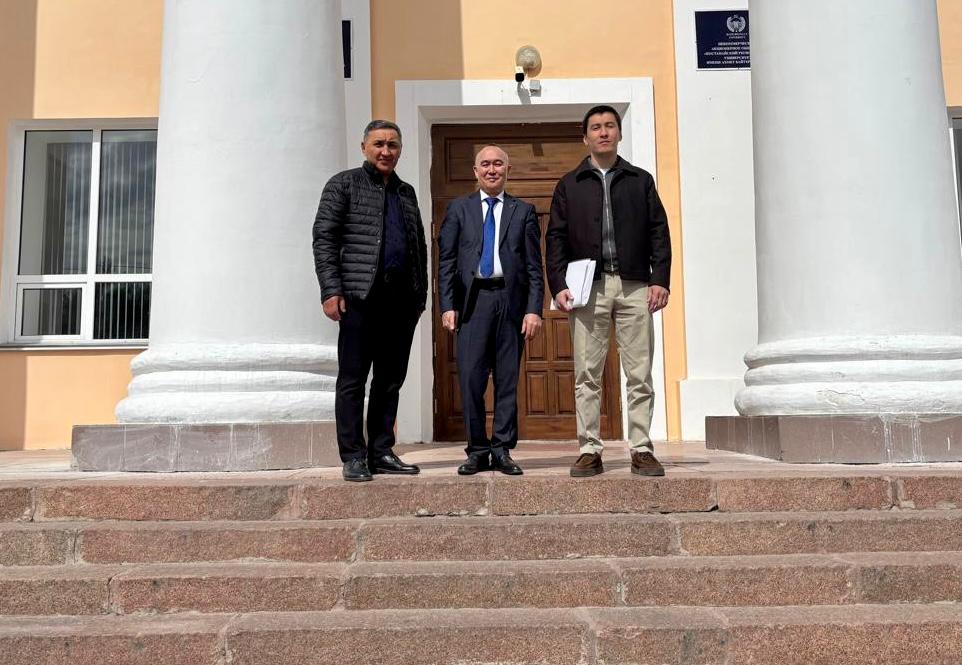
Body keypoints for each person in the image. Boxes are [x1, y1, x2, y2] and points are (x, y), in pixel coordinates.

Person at [546, 105, 671, 478]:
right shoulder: (569, 184)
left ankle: (641, 448)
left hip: (634, 286)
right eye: (596, 127)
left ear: (619, 133)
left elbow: (658, 231)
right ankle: (589, 449)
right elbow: (555, 238)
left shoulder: (640, 180)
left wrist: (660, 279)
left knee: (639, 372)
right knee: (587, 372)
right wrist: (558, 285)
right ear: (585, 137)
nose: (603, 132)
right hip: (589, 289)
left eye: (610, 126)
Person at [312, 120, 428, 482]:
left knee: (390, 381)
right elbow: (324, 239)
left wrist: (420, 296)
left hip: (401, 302)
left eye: (393, 145)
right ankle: (353, 455)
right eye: (379, 144)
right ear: (364, 146)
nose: (386, 151)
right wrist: (331, 290)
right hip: (359, 297)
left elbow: (418, 245)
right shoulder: (343, 185)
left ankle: (381, 451)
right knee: (353, 379)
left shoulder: (406, 192)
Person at [438, 145, 544, 475]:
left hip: (510, 303)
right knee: (471, 379)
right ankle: (477, 450)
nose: (492, 169)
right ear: (476, 171)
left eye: (498, 164)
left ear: (508, 170)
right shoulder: (459, 209)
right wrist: (447, 305)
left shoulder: (523, 211)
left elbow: (534, 267)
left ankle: (501, 449)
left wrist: (534, 310)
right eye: (485, 164)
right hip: (473, 303)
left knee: (507, 380)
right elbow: (447, 261)